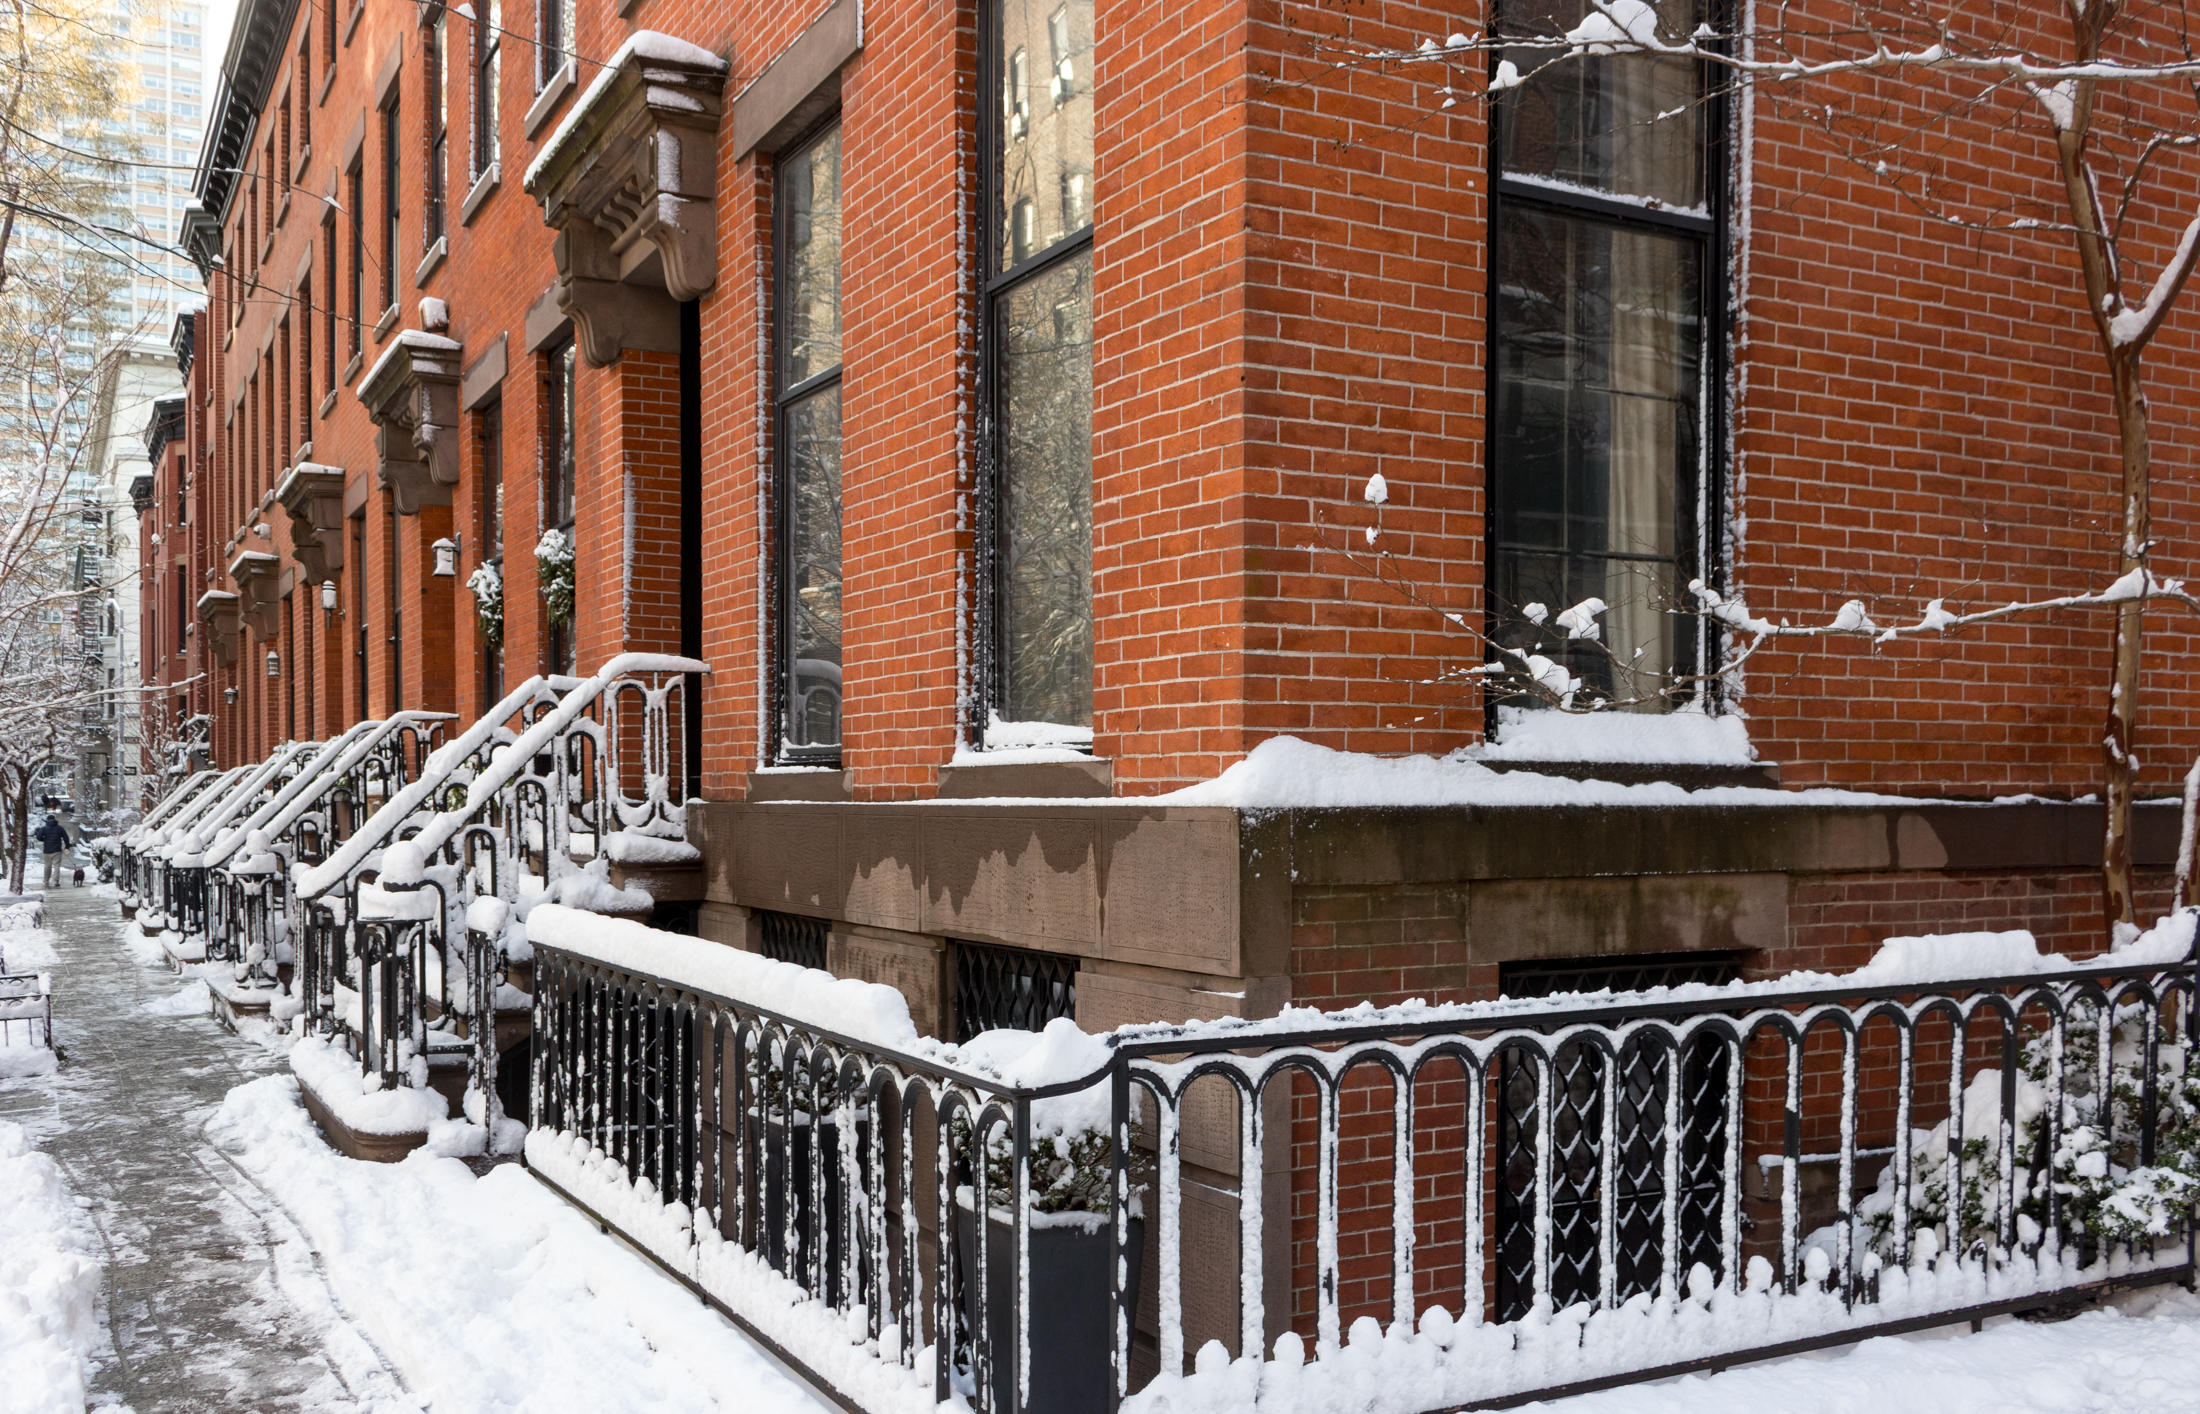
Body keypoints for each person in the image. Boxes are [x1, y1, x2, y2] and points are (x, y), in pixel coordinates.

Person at [36, 813, 69, 889]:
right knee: (56, 865)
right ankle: (56, 881)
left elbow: (38, 837)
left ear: (47, 820)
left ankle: (46, 880)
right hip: (57, 850)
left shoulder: (44, 828)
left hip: (47, 850)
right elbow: (66, 838)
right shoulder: (60, 828)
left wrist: (44, 839)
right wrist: (67, 847)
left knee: (47, 866)